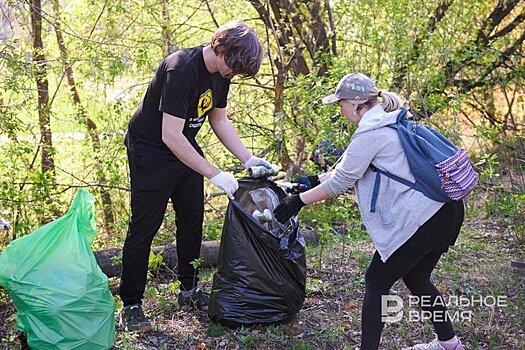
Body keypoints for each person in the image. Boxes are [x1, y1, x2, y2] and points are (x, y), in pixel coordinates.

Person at [274, 73, 465, 350]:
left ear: (355, 104)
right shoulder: (391, 120)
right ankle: (449, 343)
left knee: (376, 281)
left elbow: (342, 181)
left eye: (340, 103)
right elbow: (348, 169)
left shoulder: (371, 132)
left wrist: (298, 202)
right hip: (447, 211)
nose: (340, 110)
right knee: (416, 276)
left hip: (425, 219)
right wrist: (313, 181)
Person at [120, 21, 270, 332]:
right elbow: (170, 135)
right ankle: (131, 304)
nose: (233, 74)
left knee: (192, 221)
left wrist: (247, 158)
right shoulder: (180, 68)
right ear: (220, 47)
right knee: (144, 228)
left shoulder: (222, 74)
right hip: (151, 151)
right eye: (233, 66)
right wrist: (214, 173)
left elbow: (219, 118)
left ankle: (188, 291)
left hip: (184, 147)